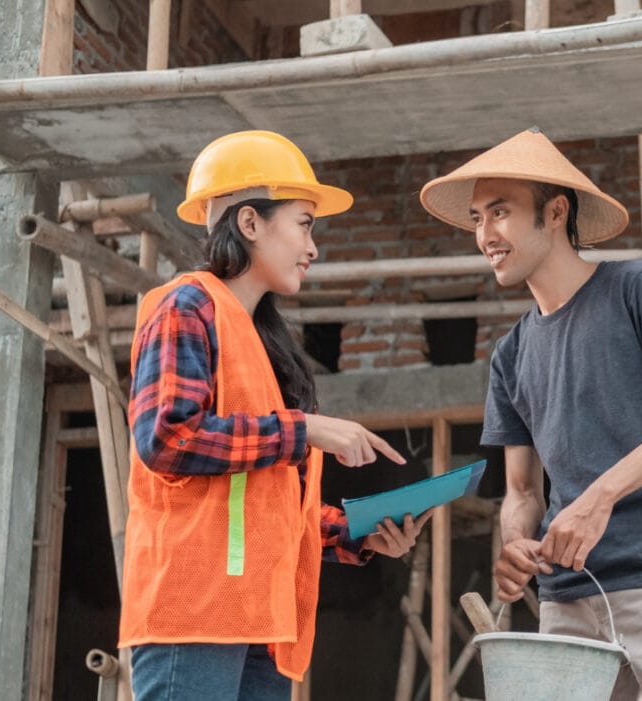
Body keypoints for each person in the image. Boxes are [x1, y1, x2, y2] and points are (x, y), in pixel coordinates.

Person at [420, 128, 642, 700]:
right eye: (476, 219)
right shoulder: (510, 354)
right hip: (565, 597)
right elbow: (522, 491)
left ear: (556, 211)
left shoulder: (636, 287)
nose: (484, 235)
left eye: (500, 212)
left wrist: (598, 498)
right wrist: (513, 541)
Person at [118, 130, 430, 700]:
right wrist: (306, 429)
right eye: (305, 224)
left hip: (260, 621)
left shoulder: (263, 343)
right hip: (195, 614)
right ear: (250, 223)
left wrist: (356, 533)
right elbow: (168, 438)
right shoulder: (185, 307)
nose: (313, 248)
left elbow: (266, 503)